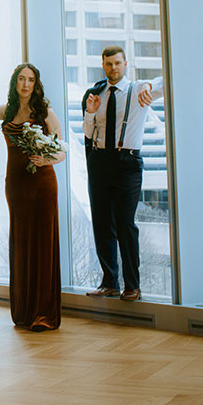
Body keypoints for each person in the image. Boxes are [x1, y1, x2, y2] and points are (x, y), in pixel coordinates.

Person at [0, 64, 66, 331]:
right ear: (15, 82)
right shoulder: (8, 111)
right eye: (21, 79)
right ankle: (24, 312)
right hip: (16, 185)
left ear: (36, 85)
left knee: (43, 244)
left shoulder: (44, 111)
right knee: (22, 244)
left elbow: (62, 152)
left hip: (42, 183)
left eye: (31, 80)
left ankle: (44, 314)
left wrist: (46, 159)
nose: (26, 84)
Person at [82, 45, 163, 302]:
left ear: (126, 64)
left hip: (127, 161)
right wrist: (90, 112)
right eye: (108, 64)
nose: (113, 68)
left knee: (126, 224)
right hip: (99, 160)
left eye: (117, 63)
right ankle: (109, 282)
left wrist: (151, 86)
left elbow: (168, 80)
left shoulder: (139, 88)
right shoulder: (95, 93)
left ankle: (132, 285)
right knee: (102, 223)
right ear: (103, 65)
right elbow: (87, 131)